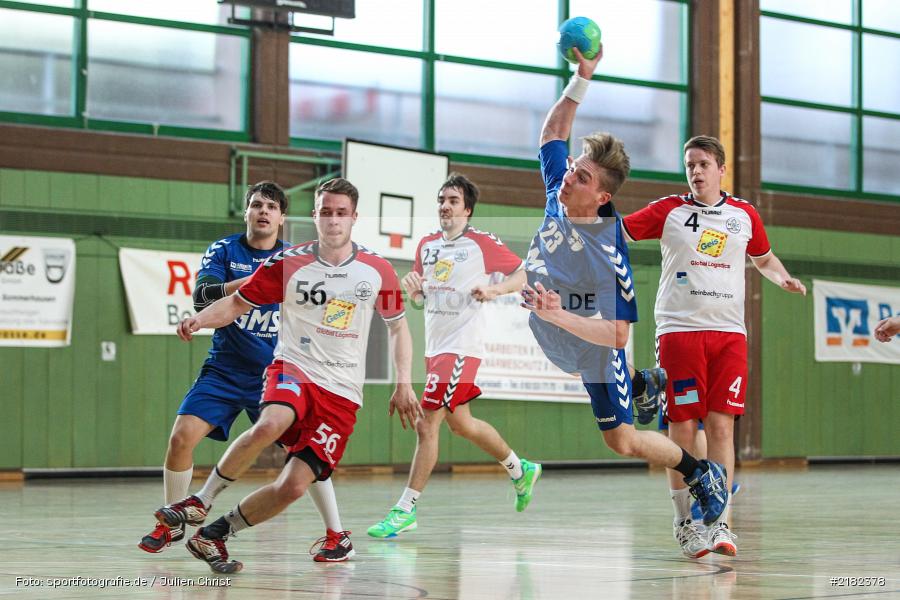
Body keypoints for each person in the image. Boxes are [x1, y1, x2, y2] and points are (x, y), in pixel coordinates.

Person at [520, 45, 729, 560]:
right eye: (572, 170)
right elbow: (552, 135)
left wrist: (557, 313)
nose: (569, 177)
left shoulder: (607, 248)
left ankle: (699, 471)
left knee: (624, 442)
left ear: (603, 198)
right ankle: (643, 383)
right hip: (559, 335)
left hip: (593, 345)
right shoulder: (559, 192)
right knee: (616, 412)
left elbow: (615, 335)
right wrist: (580, 79)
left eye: (582, 178)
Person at [155, 178, 423, 573]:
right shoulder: (287, 263)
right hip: (292, 369)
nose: (333, 221)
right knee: (271, 423)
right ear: (314, 216)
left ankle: (216, 533)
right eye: (326, 212)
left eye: (341, 213)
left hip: (342, 391)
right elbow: (235, 303)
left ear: (354, 218)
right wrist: (198, 319)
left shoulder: (377, 270)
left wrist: (404, 384)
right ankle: (201, 499)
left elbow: (399, 328)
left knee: (294, 485)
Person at [139, 181, 351, 562]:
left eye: (271, 206)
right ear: (247, 212)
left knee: (305, 453)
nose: (263, 211)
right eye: (256, 205)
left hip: (277, 374)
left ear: (282, 217)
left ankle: (336, 534)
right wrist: (262, 279)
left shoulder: (299, 260)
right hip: (225, 368)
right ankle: (173, 519)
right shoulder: (225, 249)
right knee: (181, 437)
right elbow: (204, 295)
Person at [623, 134, 806, 557]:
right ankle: (685, 522)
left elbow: (763, 258)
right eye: (690, 164)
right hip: (680, 333)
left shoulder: (743, 215)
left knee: (722, 426)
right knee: (683, 427)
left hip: (728, 335)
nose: (696, 171)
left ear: (721, 169)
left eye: (704, 163)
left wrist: (783, 278)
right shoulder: (669, 211)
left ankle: (721, 523)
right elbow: (621, 230)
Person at [367, 173, 538, 540]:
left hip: (462, 347)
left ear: (467, 209)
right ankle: (519, 469)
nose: (445, 205)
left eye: (453, 200)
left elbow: (523, 274)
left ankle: (405, 509)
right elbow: (419, 294)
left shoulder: (480, 243)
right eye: (442, 199)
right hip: (436, 347)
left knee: (426, 425)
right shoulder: (427, 245)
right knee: (462, 424)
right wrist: (413, 289)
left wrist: (495, 289)